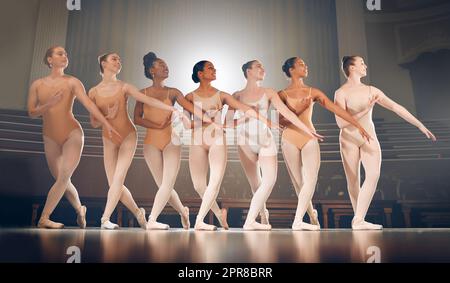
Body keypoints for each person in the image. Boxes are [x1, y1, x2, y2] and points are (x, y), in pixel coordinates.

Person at [335, 55, 436, 230]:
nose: (365, 65)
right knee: (353, 181)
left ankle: (358, 219)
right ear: (351, 68)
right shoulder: (341, 92)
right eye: (361, 63)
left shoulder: (371, 90)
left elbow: (396, 107)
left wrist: (419, 124)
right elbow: (341, 123)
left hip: (370, 137)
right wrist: (366, 109)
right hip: (349, 138)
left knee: (373, 175)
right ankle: (358, 220)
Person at [89, 52, 186, 229]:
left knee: (118, 179)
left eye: (119, 58)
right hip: (108, 139)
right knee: (114, 184)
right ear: (103, 63)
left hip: (127, 136)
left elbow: (148, 99)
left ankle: (104, 219)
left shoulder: (124, 87)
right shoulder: (93, 91)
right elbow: (93, 122)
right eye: (114, 59)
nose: (119, 61)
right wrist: (105, 115)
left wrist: (174, 110)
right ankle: (138, 213)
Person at [27, 46, 119, 229]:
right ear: (49, 59)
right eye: (60, 54)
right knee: (63, 180)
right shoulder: (37, 85)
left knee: (63, 177)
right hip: (50, 136)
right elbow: (31, 112)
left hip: (72, 133)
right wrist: (49, 104)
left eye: (66, 54)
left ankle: (44, 218)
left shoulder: (72, 82)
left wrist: (106, 122)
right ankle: (80, 209)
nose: (65, 56)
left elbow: (89, 105)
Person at [226, 60, 323, 230]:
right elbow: (227, 123)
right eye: (258, 67)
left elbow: (287, 113)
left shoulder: (269, 92)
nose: (263, 69)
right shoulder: (236, 95)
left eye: (263, 66)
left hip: (265, 140)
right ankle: (262, 215)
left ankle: (249, 222)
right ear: (248, 71)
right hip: (245, 142)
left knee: (269, 181)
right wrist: (249, 115)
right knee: (255, 184)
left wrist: (306, 130)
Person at [279, 56, 371, 230]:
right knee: (299, 183)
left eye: (305, 63)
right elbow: (278, 121)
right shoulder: (281, 94)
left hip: (310, 137)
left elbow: (335, 108)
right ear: (291, 70)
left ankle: (298, 221)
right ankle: (312, 214)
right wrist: (298, 109)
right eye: (301, 64)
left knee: (311, 179)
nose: (305, 66)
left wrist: (357, 124)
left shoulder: (313, 92)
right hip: (289, 138)